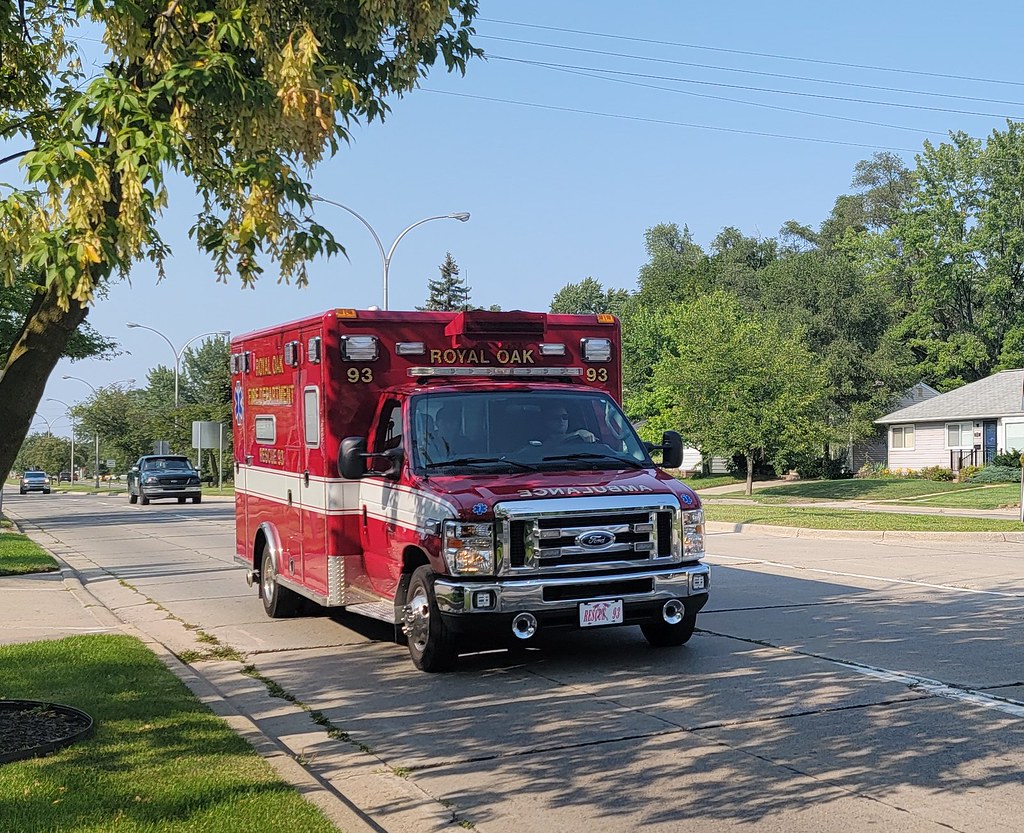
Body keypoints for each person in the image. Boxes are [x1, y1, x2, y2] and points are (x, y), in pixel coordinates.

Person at [531, 403, 596, 446]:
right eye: (555, 418)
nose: (561, 420)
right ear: (546, 421)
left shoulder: (580, 442)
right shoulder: (537, 444)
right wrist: (578, 433)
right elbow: (553, 441)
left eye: (565, 417)